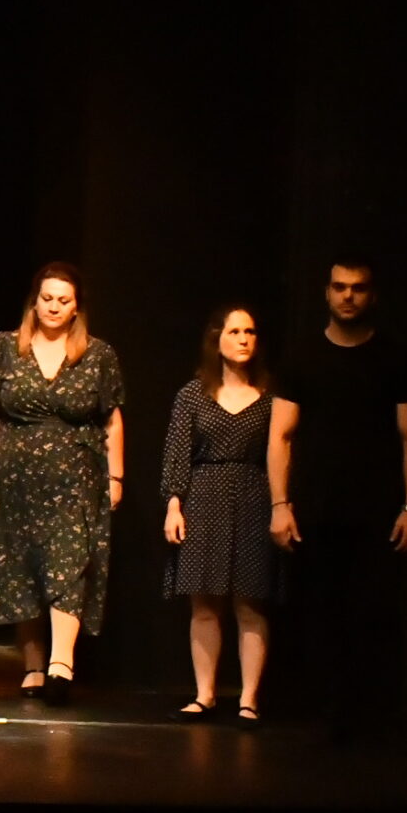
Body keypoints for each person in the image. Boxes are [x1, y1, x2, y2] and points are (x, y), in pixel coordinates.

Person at [269, 256, 407, 741]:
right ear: (327, 293)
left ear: (371, 295)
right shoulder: (302, 357)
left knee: (375, 617)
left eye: (357, 288)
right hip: (317, 508)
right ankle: (330, 717)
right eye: (340, 287)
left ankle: (377, 718)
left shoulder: (394, 358)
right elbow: (280, 434)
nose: (348, 296)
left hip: (378, 511)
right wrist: (279, 504)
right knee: (322, 615)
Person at [0, 262, 126, 707]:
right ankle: (34, 666)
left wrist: (116, 475)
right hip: (15, 477)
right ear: (34, 302)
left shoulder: (97, 354)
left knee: (68, 562)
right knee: (24, 569)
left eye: (63, 300)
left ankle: (61, 664)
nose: (54, 307)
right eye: (48, 298)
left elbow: (112, 418)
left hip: (75, 477)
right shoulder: (5, 346)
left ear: (76, 308)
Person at [161, 306, 281, 725]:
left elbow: (282, 452)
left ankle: (249, 699)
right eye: (235, 331)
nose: (244, 339)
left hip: (253, 497)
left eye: (250, 331)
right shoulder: (193, 394)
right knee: (204, 603)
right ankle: (205, 694)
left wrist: (282, 505)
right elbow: (177, 453)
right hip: (203, 497)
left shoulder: (271, 396)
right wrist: (174, 505)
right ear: (217, 339)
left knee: (250, 603)